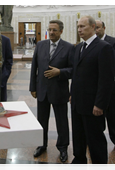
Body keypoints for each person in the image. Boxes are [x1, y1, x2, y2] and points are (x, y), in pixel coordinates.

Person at [64, 16, 115, 170]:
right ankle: (79, 163)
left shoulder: (103, 47)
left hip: (93, 105)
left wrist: (100, 104)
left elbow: (106, 80)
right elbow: (76, 74)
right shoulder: (78, 47)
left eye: (83, 26)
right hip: (78, 102)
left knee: (95, 139)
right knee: (78, 136)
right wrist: (72, 94)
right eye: (78, 26)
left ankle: (100, 167)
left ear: (93, 27)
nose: (79, 30)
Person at [29, 20, 75, 162]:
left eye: (54, 30)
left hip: (59, 90)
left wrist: (59, 72)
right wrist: (33, 87)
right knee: (41, 120)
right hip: (42, 89)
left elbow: (74, 70)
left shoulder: (68, 47)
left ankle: (62, 148)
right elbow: (34, 67)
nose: (52, 32)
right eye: (50, 29)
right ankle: (41, 144)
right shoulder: (41, 45)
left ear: (61, 31)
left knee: (62, 121)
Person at [96, 20, 115, 155]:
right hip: (95, 85)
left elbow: (114, 60)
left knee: (113, 113)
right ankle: (96, 140)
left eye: (98, 27)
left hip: (112, 85)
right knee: (96, 114)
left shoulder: (114, 42)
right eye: (93, 28)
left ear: (104, 27)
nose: (95, 30)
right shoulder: (90, 43)